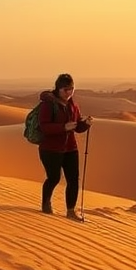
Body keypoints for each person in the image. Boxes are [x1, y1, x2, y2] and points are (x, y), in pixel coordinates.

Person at [37, 73, 92, 220]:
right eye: (66, 89)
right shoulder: (48, 105)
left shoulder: (73, 105)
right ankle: (46, 204)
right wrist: (64, 127)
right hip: (50, 148)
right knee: (54, 178)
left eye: (71, 89)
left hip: (70, 148)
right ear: (58, 88)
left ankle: (71, 211)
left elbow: (77, 127)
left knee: (73, 179)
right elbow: (44, 127)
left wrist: (85, 124)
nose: (69, 93)